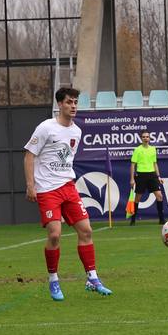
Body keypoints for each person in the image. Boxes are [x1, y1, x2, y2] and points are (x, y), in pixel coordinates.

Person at [24, 87, 111, 300]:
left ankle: (92, 278)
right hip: (47, 189)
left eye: (75, 102)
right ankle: (53, 280)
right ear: (60, 105)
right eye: (69, 102)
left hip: (68, 187)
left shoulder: (76, 131)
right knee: (54, 234)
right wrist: (30, 185)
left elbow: (66, 159)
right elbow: (29, 156)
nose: (73, 106)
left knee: (86, 231)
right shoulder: (46, 128)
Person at [127, 130, 166, 226]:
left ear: (149, 138)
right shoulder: (137, 150)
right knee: (137, 198)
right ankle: (133, 220)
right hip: (141, 175)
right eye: (144, 137)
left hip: (152, 175)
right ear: (141, 138)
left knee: (159, 196)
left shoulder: (153, 149)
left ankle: (161, 219)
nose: (145, 138)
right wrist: (132, 179)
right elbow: (133, 165)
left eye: (147, 137)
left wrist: (158, 176)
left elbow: (155, 163)